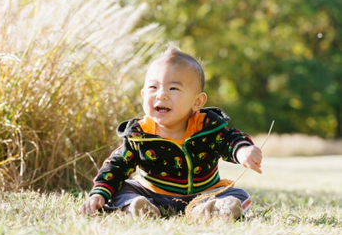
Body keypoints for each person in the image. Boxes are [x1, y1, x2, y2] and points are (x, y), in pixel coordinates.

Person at [78, 43, 262, 219]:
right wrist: (99, 193)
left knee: (238, 194)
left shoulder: (207, 128)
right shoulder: (140, 135)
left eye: (173, 88)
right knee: (121, 189)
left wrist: (242, 150)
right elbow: (116, 166)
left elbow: (230, 140)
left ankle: (209, 211)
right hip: (152, 195)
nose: (161, 94)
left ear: (197, 102)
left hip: (203, 195)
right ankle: (136, 207)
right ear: (143, 95)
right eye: (153, 87)